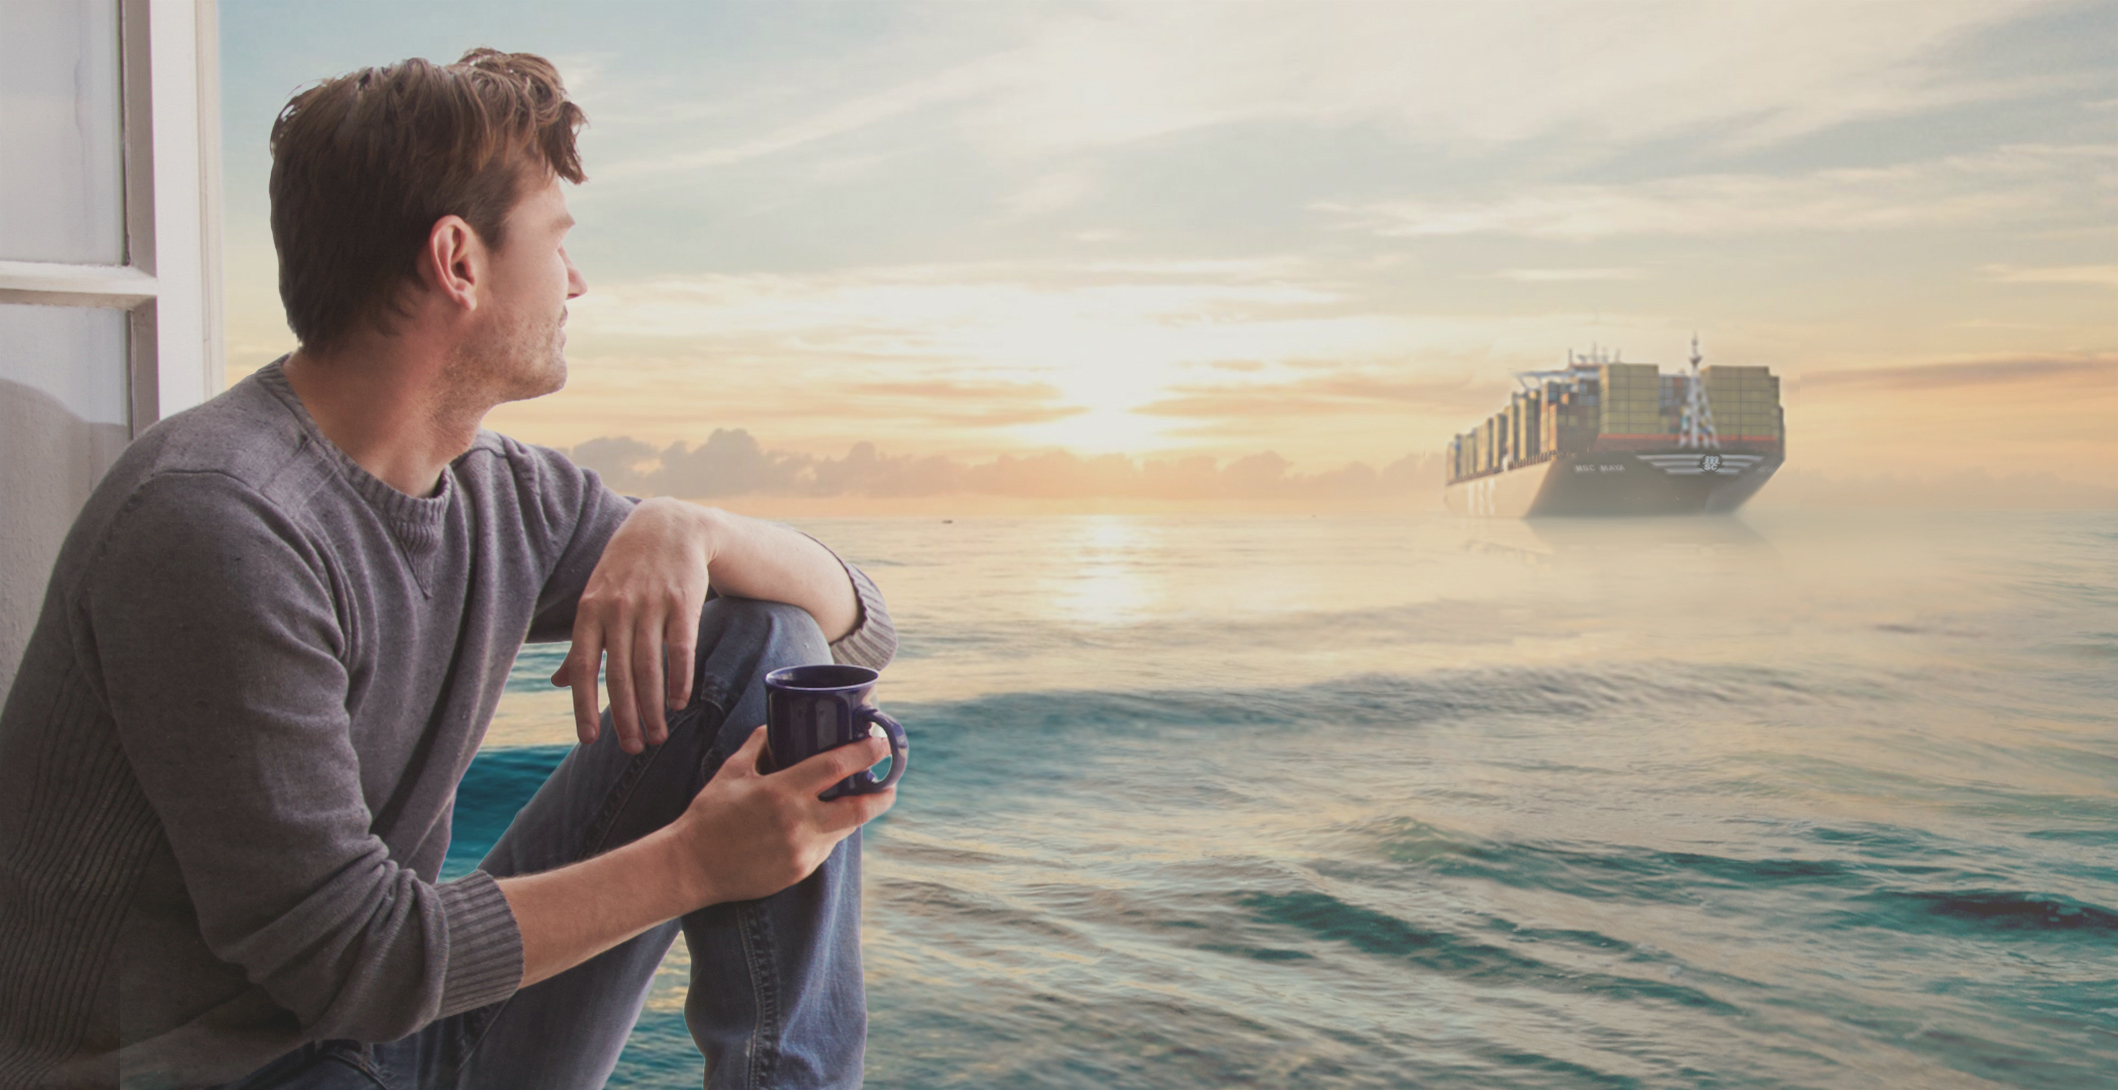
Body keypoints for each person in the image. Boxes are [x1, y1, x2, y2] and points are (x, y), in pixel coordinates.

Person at [0, 49, 895, 1089]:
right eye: (557, 242)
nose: (578, 280)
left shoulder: (497, 490)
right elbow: (354, 962)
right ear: (457, 260)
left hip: (375, 1036)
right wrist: (702, 861)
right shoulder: (218, 522)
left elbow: (856, 628)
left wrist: (693, 528)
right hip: (200, 1070)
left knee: (758, 635)